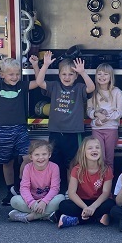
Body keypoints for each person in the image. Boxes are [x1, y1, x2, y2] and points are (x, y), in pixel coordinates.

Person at [0, 55, 44, 206]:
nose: (15, 77)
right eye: (11, 74)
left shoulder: (21, 85)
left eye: (17, 74)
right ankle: (10, 191)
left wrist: (35, 65)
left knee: (27, 157)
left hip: (20, 128)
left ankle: (19, 185)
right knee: (7, 162)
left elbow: (38, 82)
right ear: (2, 75)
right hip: (2, 130)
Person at [37, 51, 95, 190]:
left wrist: (82, 72)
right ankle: (55, 190)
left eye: (71, 74)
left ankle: (71, 191)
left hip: (73, 133)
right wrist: (45, 65)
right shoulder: (54, 86)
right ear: (59, 75)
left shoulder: (79, 88)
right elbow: (39, 82)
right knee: (54, 163)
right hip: (56, 131)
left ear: (76, 76)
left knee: (72, 164)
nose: (67, 77)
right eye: (64, 74)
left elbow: (91, 87)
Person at [56, 136, 115, 228]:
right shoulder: (77, 169)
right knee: (63, 205)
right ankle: (97, 218)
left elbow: (106, 193)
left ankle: (77, 220)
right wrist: (85, 207)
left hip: (98, 202)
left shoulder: (106, 170)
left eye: (97, 147)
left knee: (111, 205)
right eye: (90, 148)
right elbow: (71, 193)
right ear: (83, 152)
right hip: (81, 202)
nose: (94, 150)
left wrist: (93, 207)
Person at [8, 140, 65, 223]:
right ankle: (46, 216)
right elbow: (24, 188)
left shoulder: (54, 167)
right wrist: (32, 203)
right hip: (32, 200)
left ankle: (29, 217)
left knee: (61, 198)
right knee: (14, 200)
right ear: (31, 157)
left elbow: (55, 188)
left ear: (49, 155)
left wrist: (44, 202)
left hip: (48, 201)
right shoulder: (28, 167)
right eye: (37, 155)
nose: (41, 158)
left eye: (44, 154)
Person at [88, 63, 122, 170]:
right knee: (98, 158)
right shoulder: (93, 92)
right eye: (99, 74)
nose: (102, 77)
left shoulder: (117, 92)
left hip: (111, 128)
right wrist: (97, 114)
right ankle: (99, 179)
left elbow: (120, 112)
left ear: (111, 76)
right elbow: (88, 110)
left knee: (109, 158)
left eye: (106, 74)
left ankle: (109, 179)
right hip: (96, 129)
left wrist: (106, 117)